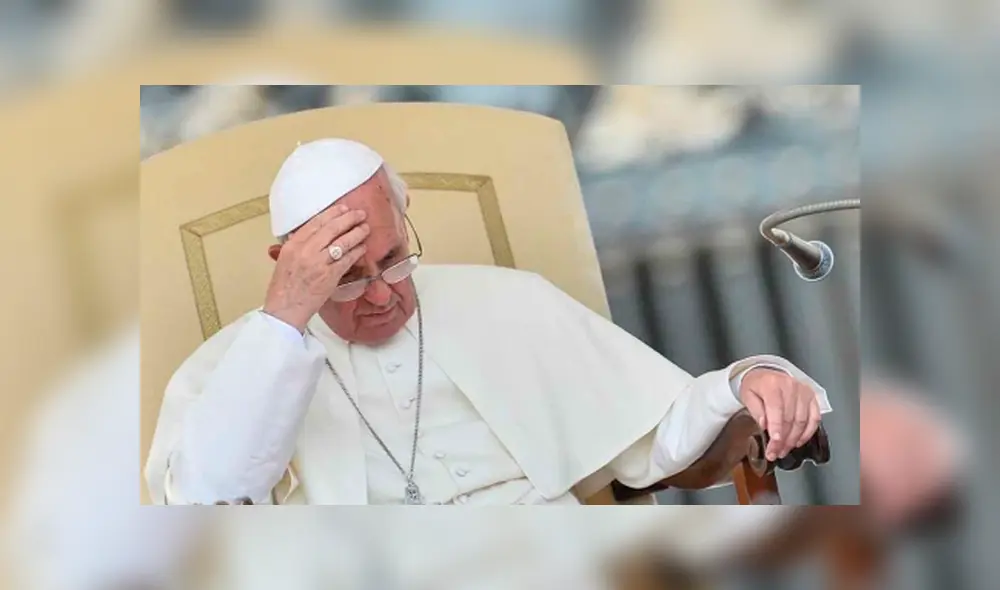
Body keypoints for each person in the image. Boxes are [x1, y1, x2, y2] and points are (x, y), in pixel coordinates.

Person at [145, 138, 833, 505]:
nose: (382, 294)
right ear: (287, 265)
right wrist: (285, 317)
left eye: (394, 259)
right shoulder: (226, 370)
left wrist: (747, 380)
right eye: (347, 276)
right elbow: (211, 502)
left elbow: (655, 433)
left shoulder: (508, 301)